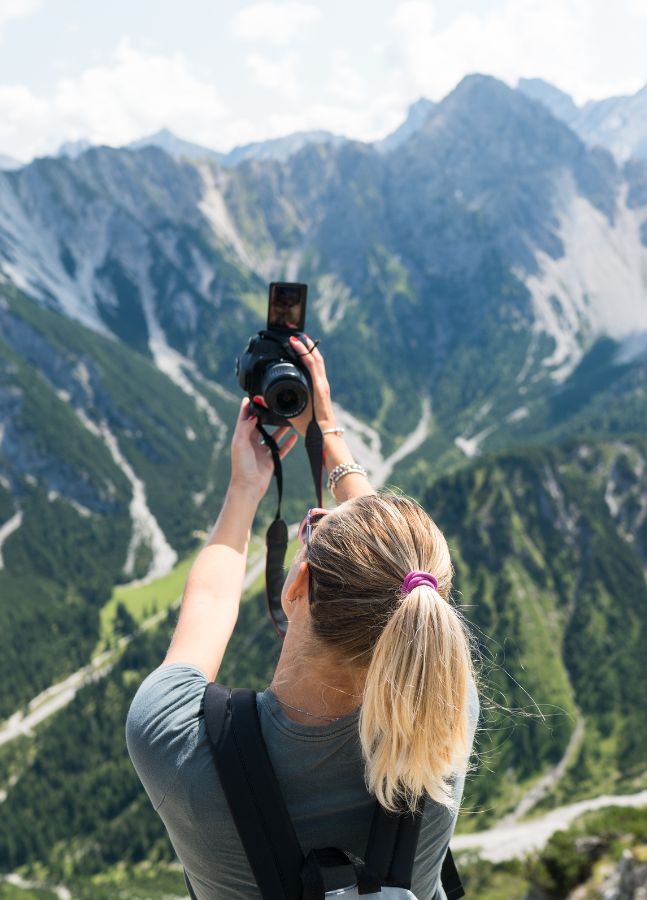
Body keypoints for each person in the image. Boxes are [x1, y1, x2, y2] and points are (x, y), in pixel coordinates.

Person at [126, 332, 479, 899]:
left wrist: (245, 488)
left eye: (313, 528)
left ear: (297, 584)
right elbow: (408, 580)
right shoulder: (445, 715)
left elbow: (211, 601)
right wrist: (328, 434)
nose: (315, 516)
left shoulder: (175, 742)